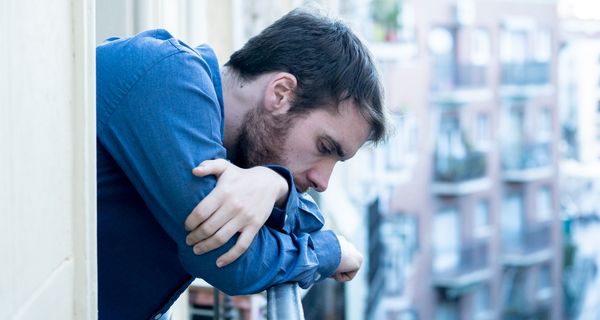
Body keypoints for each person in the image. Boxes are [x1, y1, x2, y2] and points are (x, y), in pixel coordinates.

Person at [96, 7, 389, 320]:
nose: (323, 181)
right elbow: (230, 260)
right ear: (281, 94)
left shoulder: (236, 158)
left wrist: (276, 184)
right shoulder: (169, 79)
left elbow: (308, 222)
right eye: (325, 147)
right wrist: (329, 253)